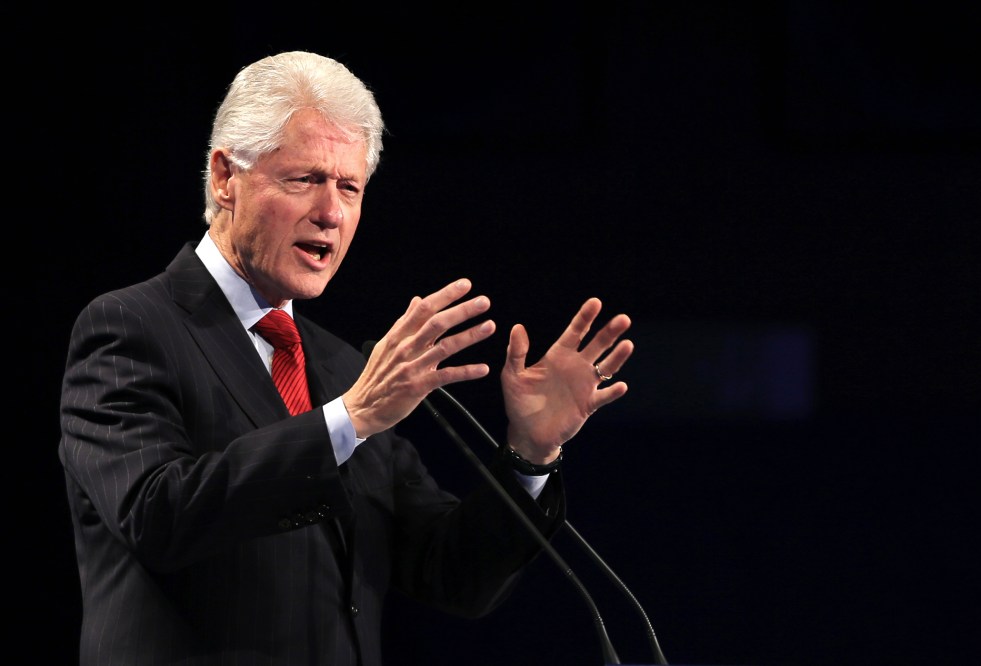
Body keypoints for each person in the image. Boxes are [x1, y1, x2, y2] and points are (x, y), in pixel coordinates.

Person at [58, 50, 634, 666]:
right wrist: (350, 419)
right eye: (304, 179)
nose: (331, 212)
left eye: (349, 187)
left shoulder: (338, 369)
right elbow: (156, 516)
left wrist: (528, 454)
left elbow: (450, 575)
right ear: (226, 177)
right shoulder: (129, 327)